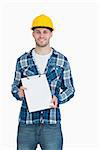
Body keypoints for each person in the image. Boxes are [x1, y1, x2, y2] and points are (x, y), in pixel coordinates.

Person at [11, 14, 75, 150]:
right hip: (27, 123)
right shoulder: (22, 60)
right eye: (38, 32)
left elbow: (70, 89)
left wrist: (58, 98)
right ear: (33, 34)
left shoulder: (62, 60)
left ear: (51, 34)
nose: (41, 35)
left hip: (51, 124)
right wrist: (19, 93)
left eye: (45, 32)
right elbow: (14, 87)